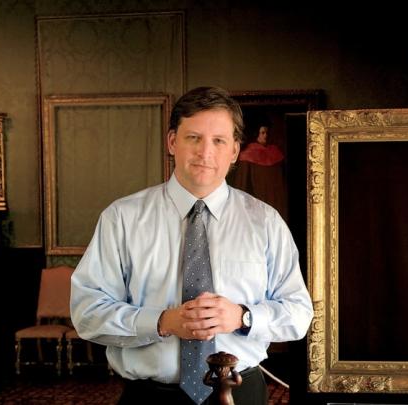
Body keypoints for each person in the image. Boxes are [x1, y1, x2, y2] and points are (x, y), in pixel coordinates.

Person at [70, 86, 313, 405]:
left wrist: (243, 317)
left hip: (242, 393)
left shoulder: (265, 222)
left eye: (218, 141)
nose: (205, 153)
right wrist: (162, 322)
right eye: (193, 138)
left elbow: (298, 312)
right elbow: (87, 312)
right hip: (150, 397)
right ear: (172, 142)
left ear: (235, 151)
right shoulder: (122, 218)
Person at [229, 121, 288, 220]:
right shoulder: (247, 154)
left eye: (267, 133)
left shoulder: (275, 152)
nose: (266, 135)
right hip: (256, 204)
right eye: (263, 133)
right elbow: (242, 185)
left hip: (275, 203)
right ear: (256, 134)